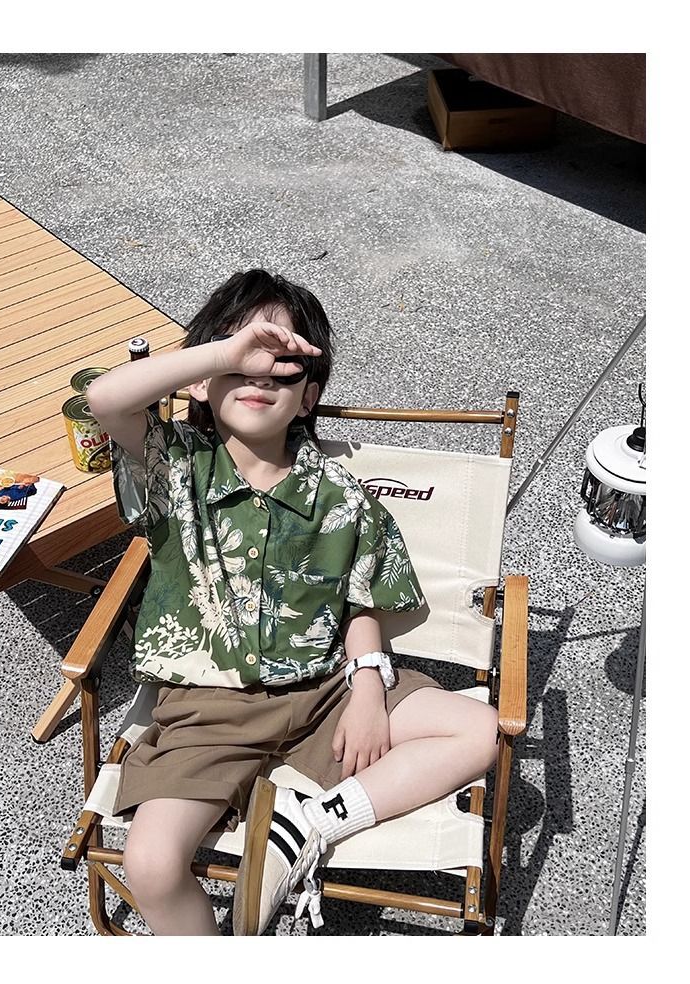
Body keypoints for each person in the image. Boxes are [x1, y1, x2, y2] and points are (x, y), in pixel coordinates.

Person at [86, 268, 499, 936]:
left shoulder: (341, 496)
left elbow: (360, 601)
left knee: (478, 730)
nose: (259, 373)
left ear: (308, 397)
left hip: (325, 692)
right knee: (152, 864)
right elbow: (105, 399)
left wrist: (369, 690)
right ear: (201, 381)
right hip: (208, 708)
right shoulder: (175, 467)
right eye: (241, 361)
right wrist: (224, 352)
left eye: (281, 366)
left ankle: (311, 823)